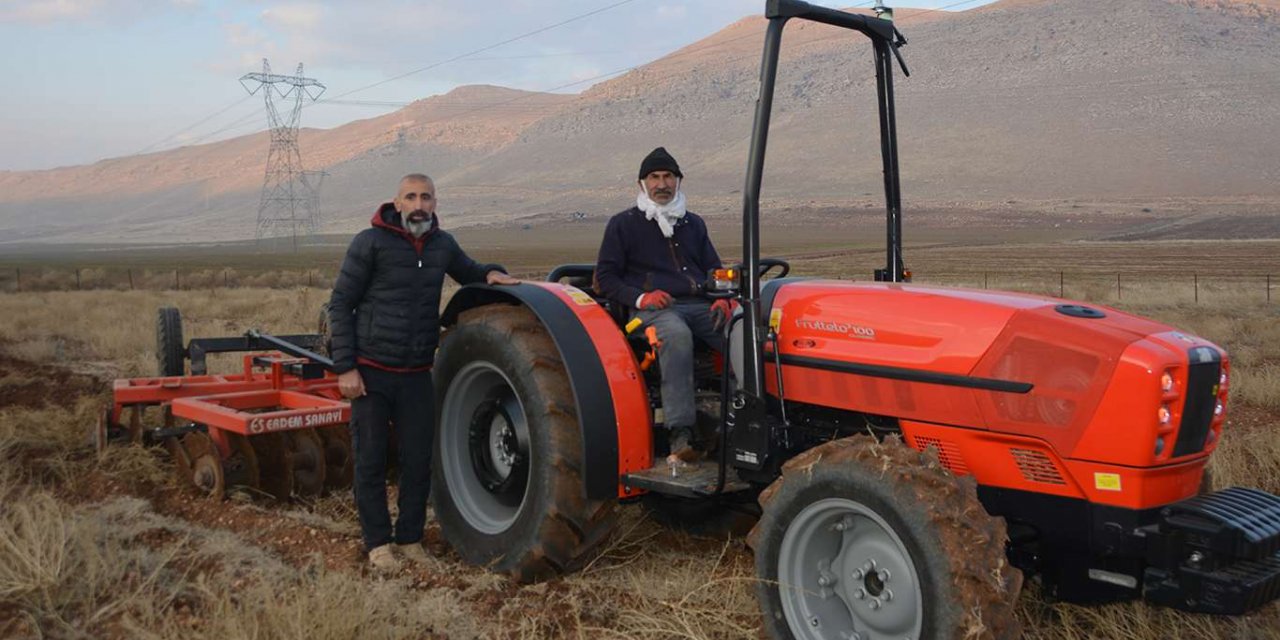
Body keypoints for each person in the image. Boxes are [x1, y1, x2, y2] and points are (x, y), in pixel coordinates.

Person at [329, 173, 519, 573]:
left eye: (426, 197)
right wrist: (346, 367)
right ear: (396, 203)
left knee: (418, 460)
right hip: (372, 372)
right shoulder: (370, 244)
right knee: (371, 460)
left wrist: (492, 274)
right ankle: (378, 543)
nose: (419, 204)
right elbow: (340, 305)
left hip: (417, 372)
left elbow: (469, 270)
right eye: (411, 197)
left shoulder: (441, 244)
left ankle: (411, 538)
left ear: (435, 203)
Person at [594, 147, 735, 464]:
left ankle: (740, 417)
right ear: (641, 184)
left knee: (741, 330)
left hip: (699, 305)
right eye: (655, 177)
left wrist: (725, 298)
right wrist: (643, 297)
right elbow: (604, 278)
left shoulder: (693, 224)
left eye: (668, 176)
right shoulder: (624, 225)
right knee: (675, 335)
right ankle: (680, 432)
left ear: (678, 181)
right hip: (649, 312)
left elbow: (714, 268)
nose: (662, 183)